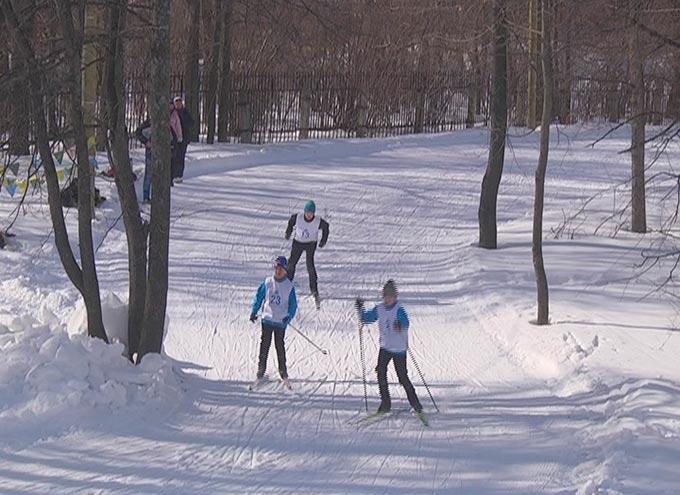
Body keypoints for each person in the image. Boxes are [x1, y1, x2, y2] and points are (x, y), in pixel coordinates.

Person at [355, 280, 423, 415]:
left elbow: (406, 322)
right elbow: (367, 318)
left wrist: (400, 324)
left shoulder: (399, 309)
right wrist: (360, 309)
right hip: (385, 347)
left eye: (391, 296)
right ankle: (385, 403)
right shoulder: (379, 308)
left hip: (398, 349)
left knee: (402, 377)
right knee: (380, 372)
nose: (388, 299)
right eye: (386, 296)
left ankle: (416, 404)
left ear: (395, 297)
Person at [249, 256, 298, 389]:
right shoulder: (268, 282)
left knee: (279, 346)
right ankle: (261, 370)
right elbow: (259, 297)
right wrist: (254, 312)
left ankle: (283, 371)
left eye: (280, 268)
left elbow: (293, 305)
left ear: (285, 270)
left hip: (280, 322)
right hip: (267, 319)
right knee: (264, 345)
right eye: (276, 268)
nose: (277, 271)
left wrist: (289, 316)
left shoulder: (288, 286)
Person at [284, 200, 329, 309]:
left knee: (310, 266)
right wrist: (288, 232)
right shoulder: (298, 217)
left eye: (311, 213)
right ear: (304, 212)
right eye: (307, 213)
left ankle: (314, 289)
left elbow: (326, 227)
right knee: (291, 263)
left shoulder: (318, 221)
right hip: (298, 242)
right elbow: (291, 222)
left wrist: (323, 240)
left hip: (310, 244)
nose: (309, 215)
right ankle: (286, 285)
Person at [172, 96, 193, 184]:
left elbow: (191, 122)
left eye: (179, 102)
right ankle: (173, 174)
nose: (178, 104)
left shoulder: (185, 112)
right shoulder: (172, 113)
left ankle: (179, 175)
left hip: (183, 138)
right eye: (176, 102)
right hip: (174, 138)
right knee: (174, 157)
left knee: (181, 157)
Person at [135, 118, 152, 203]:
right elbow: (138, 132)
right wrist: (146, 142)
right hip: (151, 151)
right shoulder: (148, 123)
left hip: (163, 152)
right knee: (149, 174)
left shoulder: (167, 119)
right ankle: (146, 196)